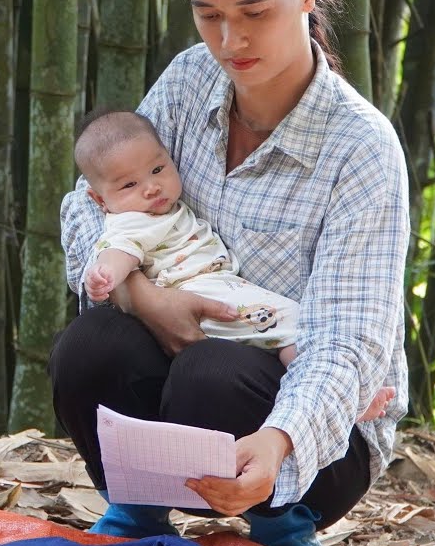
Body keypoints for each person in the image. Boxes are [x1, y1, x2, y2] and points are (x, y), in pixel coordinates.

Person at [51, 0, 409, 546]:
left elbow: (347, 342)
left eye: (253, 13)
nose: (229, 41)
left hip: (313, 432)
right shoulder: (190, 82)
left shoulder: (361, 148)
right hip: (182, 366)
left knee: (211, 374)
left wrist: (280, 439)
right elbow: (91, 206)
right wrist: (144, 300)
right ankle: (136, 511)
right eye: (207, 15)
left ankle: (283, 533)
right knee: (89, 345)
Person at [74, 109, 396, 425]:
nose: (151, 187)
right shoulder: (132, 222)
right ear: (100, 201)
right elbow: (118, 250)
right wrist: (106, 275)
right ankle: (343, 402)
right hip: (199, 295)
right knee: (293, 324)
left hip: (216, 288)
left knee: (283, 331)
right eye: (129, 185)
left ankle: (320, 399)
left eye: (158, 169)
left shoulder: (160, 209)